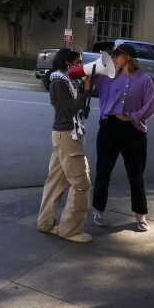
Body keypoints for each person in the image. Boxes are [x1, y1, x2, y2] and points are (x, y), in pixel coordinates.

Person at [91, 43, 154, 232]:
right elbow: (89, 82)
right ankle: (98, 210)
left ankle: (140, 214)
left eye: (116, 56)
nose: (113, 59)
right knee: (103, 171)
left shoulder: (144, 80)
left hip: (134, 131)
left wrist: (131, 116)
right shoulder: (107, 76)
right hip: (109, 127)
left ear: (127, 57)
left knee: (136, 175)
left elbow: (151, 106)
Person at [37, 48, 94, 243]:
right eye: (78, 61)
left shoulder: (67, 80)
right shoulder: (60, 81)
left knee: (56, 182)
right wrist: (86, 90)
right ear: (68, 63)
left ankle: (45, 223)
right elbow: (70, 109)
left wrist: (86, 87)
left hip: (64, 134)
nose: (80, 64)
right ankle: (70, 230)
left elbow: (78, 106)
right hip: (67, 135)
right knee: (82, 183)